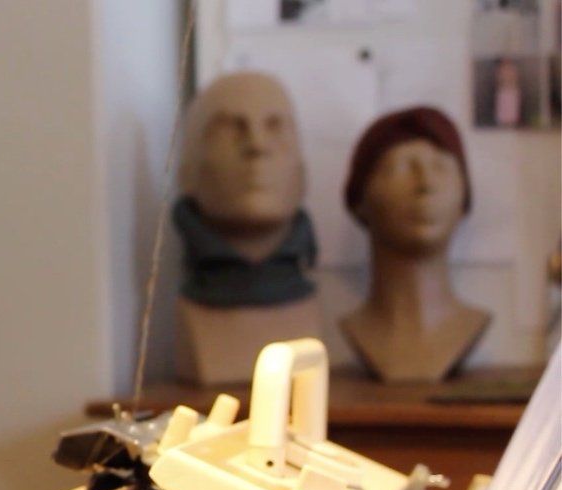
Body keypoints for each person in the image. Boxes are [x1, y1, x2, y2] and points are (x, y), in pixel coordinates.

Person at [171, 71, 320, 385]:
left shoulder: (313, 312)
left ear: (302, 174)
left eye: (275, 127)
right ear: (188, 173)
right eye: (230, 128)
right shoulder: (189, 314)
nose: (256, 145)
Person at [339, 106, 489, 382]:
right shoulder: (354, 329)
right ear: (360, 200)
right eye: (400, 168)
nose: (426, 184)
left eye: (441, 167)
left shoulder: (472, 323)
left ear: (464, 198)